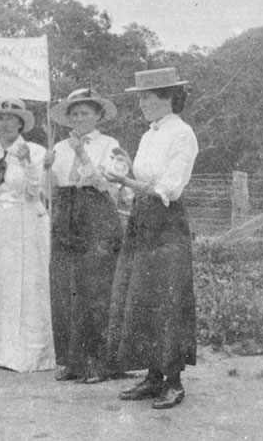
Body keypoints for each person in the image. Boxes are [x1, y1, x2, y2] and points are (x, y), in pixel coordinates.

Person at [103, 67, 199, 410]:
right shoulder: (149, 135)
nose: (141, 103)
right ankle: (152, 376)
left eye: (146, 97)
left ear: (168, 98)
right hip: (144, 219)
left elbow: (169, 187)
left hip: (166, 221)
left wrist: (128, 183)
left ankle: (173, 381)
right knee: (141, 294)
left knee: (167, 296)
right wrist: (127, 171)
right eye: (140, 97)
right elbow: (144, 177)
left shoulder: (182, 134)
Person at [44, 89, 125, 383]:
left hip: (97, 214)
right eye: (74, 114)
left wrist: (81, 152)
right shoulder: (60, 147)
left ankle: (100, 363)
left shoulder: (109, 144)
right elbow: (50, 190)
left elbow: (105, 184)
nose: (79, 119)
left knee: (96, 288)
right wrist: (47, 167)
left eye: (85, 113)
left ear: (98, 116)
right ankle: (73, 361)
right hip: (66, 214)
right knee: (66, 285)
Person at [0, 97, 54, 373]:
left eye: (11, 118)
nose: (5, 123)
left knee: (25, 284)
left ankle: (25, 355)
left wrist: (29, 164)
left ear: (21, 123)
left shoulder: (35, 151)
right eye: (0, 118)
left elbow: (36, 191)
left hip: (24, 223)